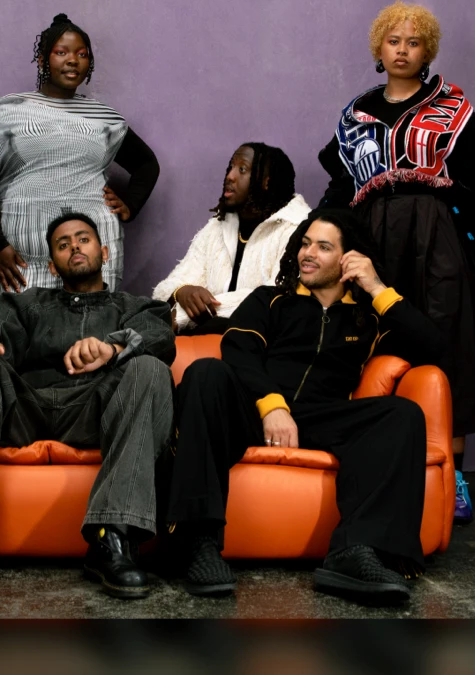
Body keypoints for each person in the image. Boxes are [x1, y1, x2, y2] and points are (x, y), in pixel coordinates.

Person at [166, 208, 445, 605]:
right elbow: (239, 350)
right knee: (205, 373)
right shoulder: (270, 300)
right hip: (252, 412)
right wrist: (273, 406)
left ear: (350, 259)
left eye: (323, 247)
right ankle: (200, 544)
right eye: (305, 243)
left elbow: (434, 348)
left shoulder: (367, 319)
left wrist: (376, 287)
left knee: (402, 414)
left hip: (322, 417)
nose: (307, 253)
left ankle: (356, 551)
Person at [0, 213, 175, 599]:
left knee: (150, 369)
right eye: (63, 245)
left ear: (103, 252)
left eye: (83, 239)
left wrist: (113, 347)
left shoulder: (135, 307)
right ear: (52, 265)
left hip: (95, 412)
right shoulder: (26, 304)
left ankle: (114, 538)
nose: (74, 247)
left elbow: (159, 336)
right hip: (25, 410)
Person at [317, 0, 475, 524]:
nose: (402, 50)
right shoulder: (356, 114)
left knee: (448, 342)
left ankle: (453, 472)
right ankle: (377, 460)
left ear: (428, 51)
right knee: (372, 338)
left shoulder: (450, 105)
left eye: (414, 42)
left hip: (434, 235)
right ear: (379, 48)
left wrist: (449, 219)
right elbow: (341, 184)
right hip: (374, 237)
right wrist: (319, 236)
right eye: (393, 41)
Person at [0, 13, 160, 293]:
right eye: (61, 53)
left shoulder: (104, 118)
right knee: (20, 320)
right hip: (20, 252)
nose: (73, 60)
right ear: (42, 61)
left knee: (95, 320)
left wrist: (130, 203)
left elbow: (146, 164)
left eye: (82, 54)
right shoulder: (7, 111)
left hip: (93, 251)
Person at [152, 143, 310, 334]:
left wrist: (185, 315)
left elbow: (277, 298)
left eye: (242, 169)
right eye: (230, 167)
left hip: (263, 340)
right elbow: (167, 287)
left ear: (266, 182)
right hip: (206, 337)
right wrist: (181, 291)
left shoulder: (298, 229)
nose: (230, 176)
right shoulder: (217, 226)